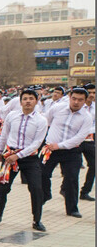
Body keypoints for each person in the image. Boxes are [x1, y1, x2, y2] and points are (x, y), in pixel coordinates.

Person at [0, 88, 49, 231]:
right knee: (3, 187)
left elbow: (36, 144)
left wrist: (17, 156)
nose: (28, 101)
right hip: (9, 156)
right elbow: (4, 134)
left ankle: (37, 220)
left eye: (31, 98)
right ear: (20, 101)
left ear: (36, 101)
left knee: (36, 188)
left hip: (29, 158)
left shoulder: (41, 120)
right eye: (25, 99)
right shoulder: (12, 116)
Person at [40, 86, 92, 219]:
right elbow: (46, 121)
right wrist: (49, 141)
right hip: (50, 148)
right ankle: (45, 195)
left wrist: (60, 145)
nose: (76, 102)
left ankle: (72, 208)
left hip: (71, 151)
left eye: (80, 100)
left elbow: (79, 138)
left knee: (71, 179)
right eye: (74, 98)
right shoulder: (58, 108)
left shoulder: (87, 117)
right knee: (42, 174)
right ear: (69, 97)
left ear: (85, 101)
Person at [79, 83, 95, 202]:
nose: (92, 95)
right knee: (72, 168)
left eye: (94, 93)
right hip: (76, 140)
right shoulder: (77, 106)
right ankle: (65, 188)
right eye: (90, 93)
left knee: (94, 165)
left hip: (89, 140)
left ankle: (85, 191)